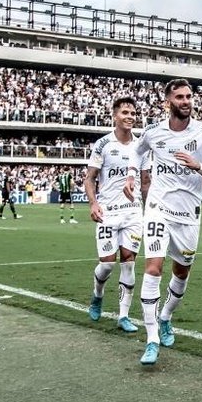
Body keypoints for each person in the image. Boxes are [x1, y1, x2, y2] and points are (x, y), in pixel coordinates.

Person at [131, 78, 202, 365]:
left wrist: (200, 166)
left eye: (189, 97)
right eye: (180, 97)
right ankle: (151, 340)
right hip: (158, 208)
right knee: (153, 267)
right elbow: (136, 154)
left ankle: (166, 317)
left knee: (182, 272)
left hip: (188, 214)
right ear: (168, 102)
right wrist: (130, 176)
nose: (186, 101)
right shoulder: (153, 133)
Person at [85, 97, 144, 333]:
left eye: (133, 113)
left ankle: (123, 316)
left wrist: (149, 210)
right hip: (108, 212)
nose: (129, 116)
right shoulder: (103, 144)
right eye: (125, 112)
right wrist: (93, 203)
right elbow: (89, 178)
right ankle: (97, 295)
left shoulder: (140, 146)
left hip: (132, 213)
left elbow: (146, 179)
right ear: (114, 116)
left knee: (129, 263)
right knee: (107, 265)